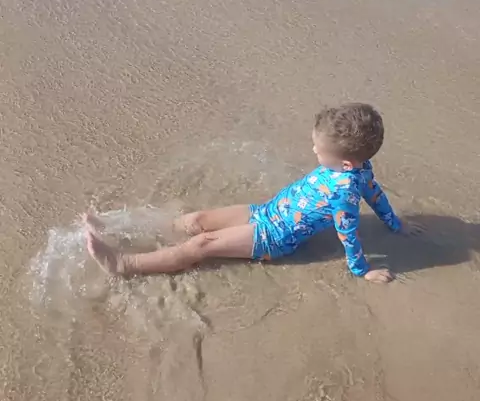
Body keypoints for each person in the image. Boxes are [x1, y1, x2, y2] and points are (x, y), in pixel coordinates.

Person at [85, 103, 422, 284]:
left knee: (201, 245)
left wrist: (362, 270)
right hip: (267, 212)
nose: (314, 151)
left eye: (319, 151)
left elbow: (348, 234)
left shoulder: (345, 193)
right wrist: (395, 223)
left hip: (272, 238)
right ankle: (125, 230)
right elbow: (376, 195)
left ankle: (125, 263)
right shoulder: (359, 170)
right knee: (197, 220)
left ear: (345, 163)